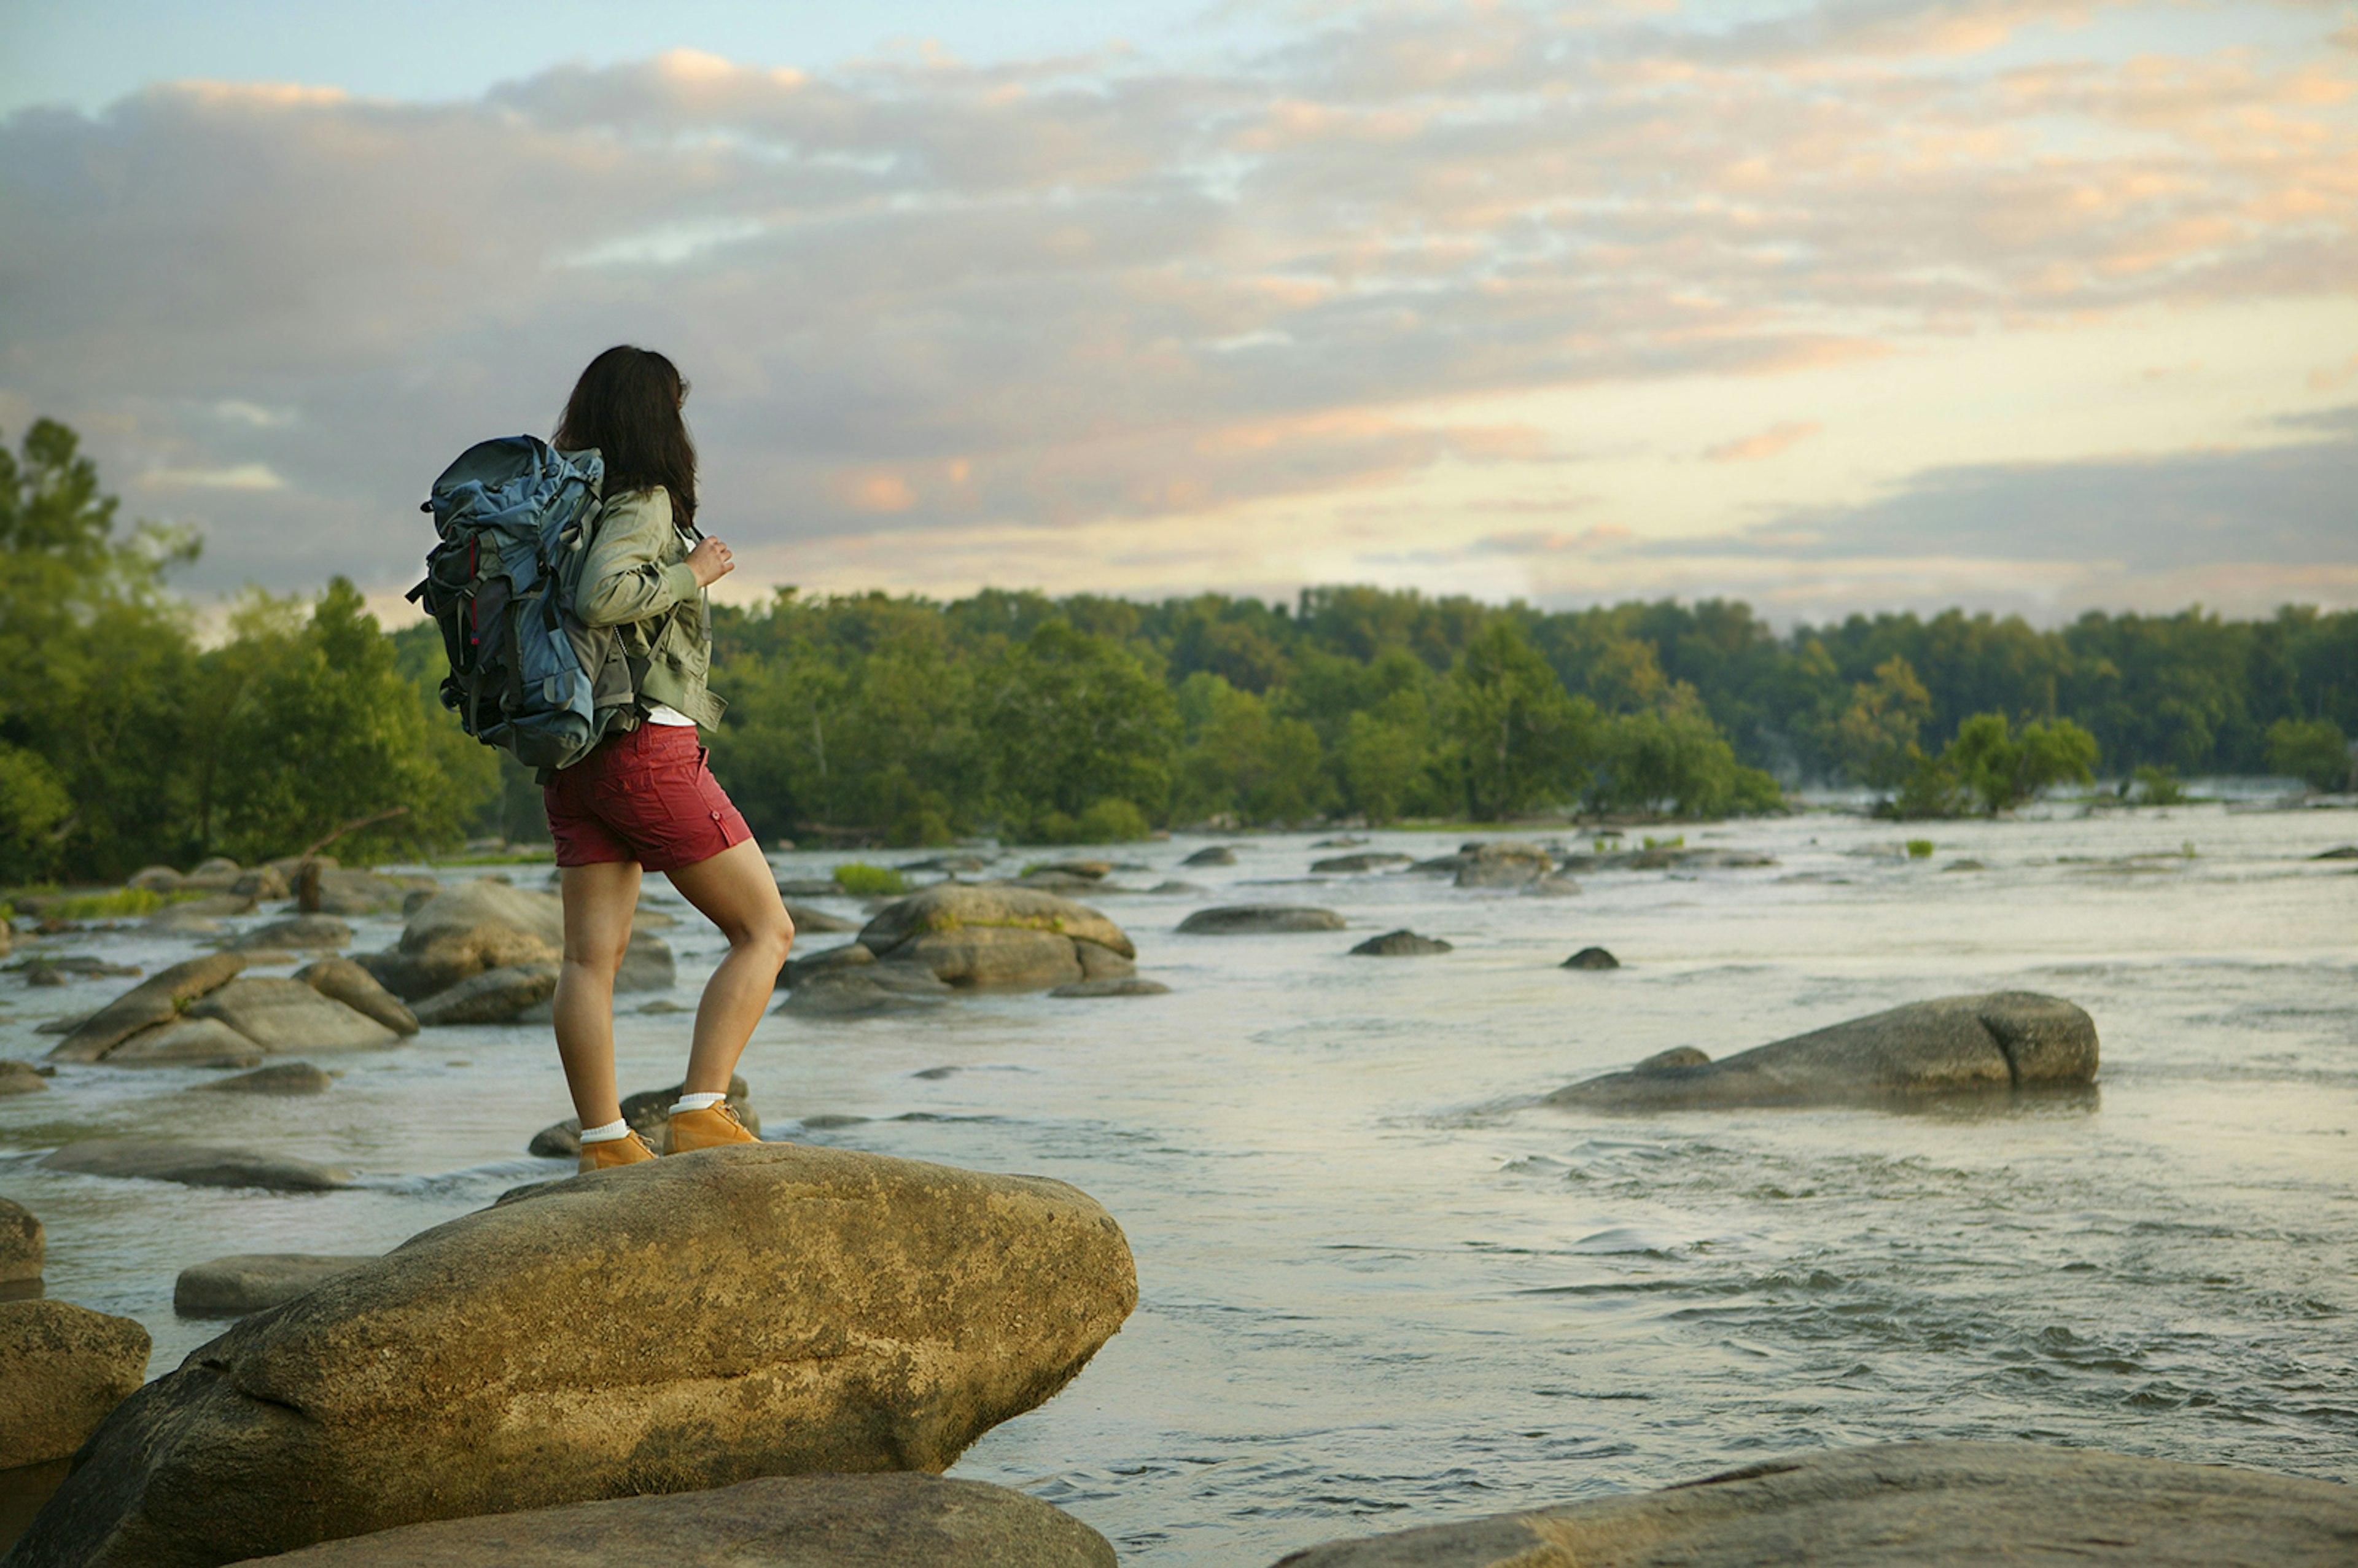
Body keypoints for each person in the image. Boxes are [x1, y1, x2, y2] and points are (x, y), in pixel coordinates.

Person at [540, 345, 794, 1173]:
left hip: (577, 757)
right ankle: (701, 1109)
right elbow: (600, 596)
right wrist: (693, 571)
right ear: (658, 418)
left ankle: (605, 1140)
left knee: (588, 958)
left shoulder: (563, 501)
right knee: (765, 928)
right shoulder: (640, 499)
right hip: (646, 749)